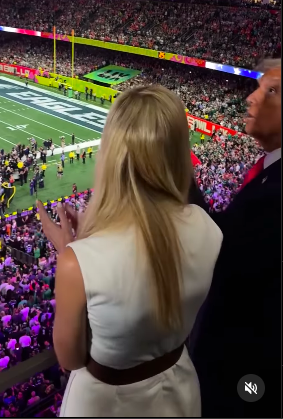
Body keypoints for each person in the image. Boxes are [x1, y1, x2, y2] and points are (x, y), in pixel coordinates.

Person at [36, 85, 223, 417]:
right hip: (180, 389)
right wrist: (92, 240)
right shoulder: (207, 225)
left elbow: (71, 358)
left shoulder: (76, 262)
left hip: (106, 404)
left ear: (112, 154)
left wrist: (74, 252)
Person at [189, 59, 281, 418]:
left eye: (271, 90)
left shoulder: (274, 195)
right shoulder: (265, 176)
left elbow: (221, 252)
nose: (251, 99)